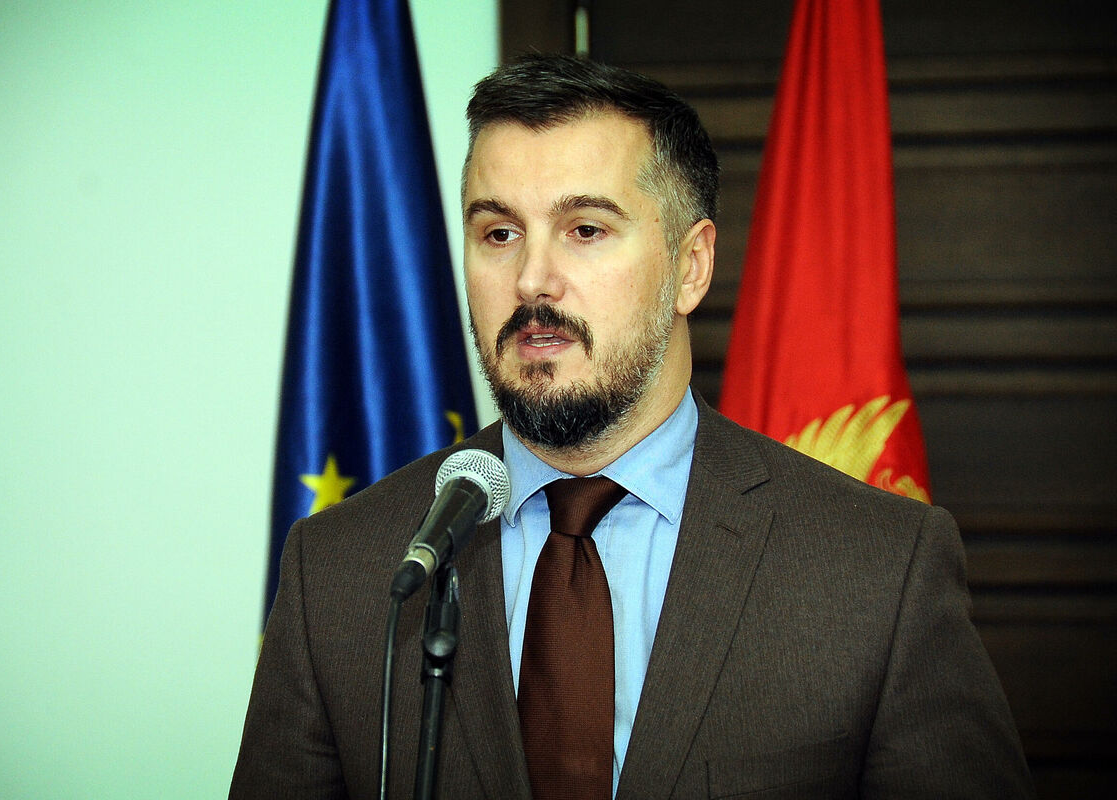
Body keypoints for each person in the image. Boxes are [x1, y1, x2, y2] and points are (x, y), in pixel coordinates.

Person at [230, 55, 1034, 799]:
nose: (532, 280)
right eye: (499, 233)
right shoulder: (341, 571)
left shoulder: (877, 570)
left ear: (691, 267)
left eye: (586, 230)